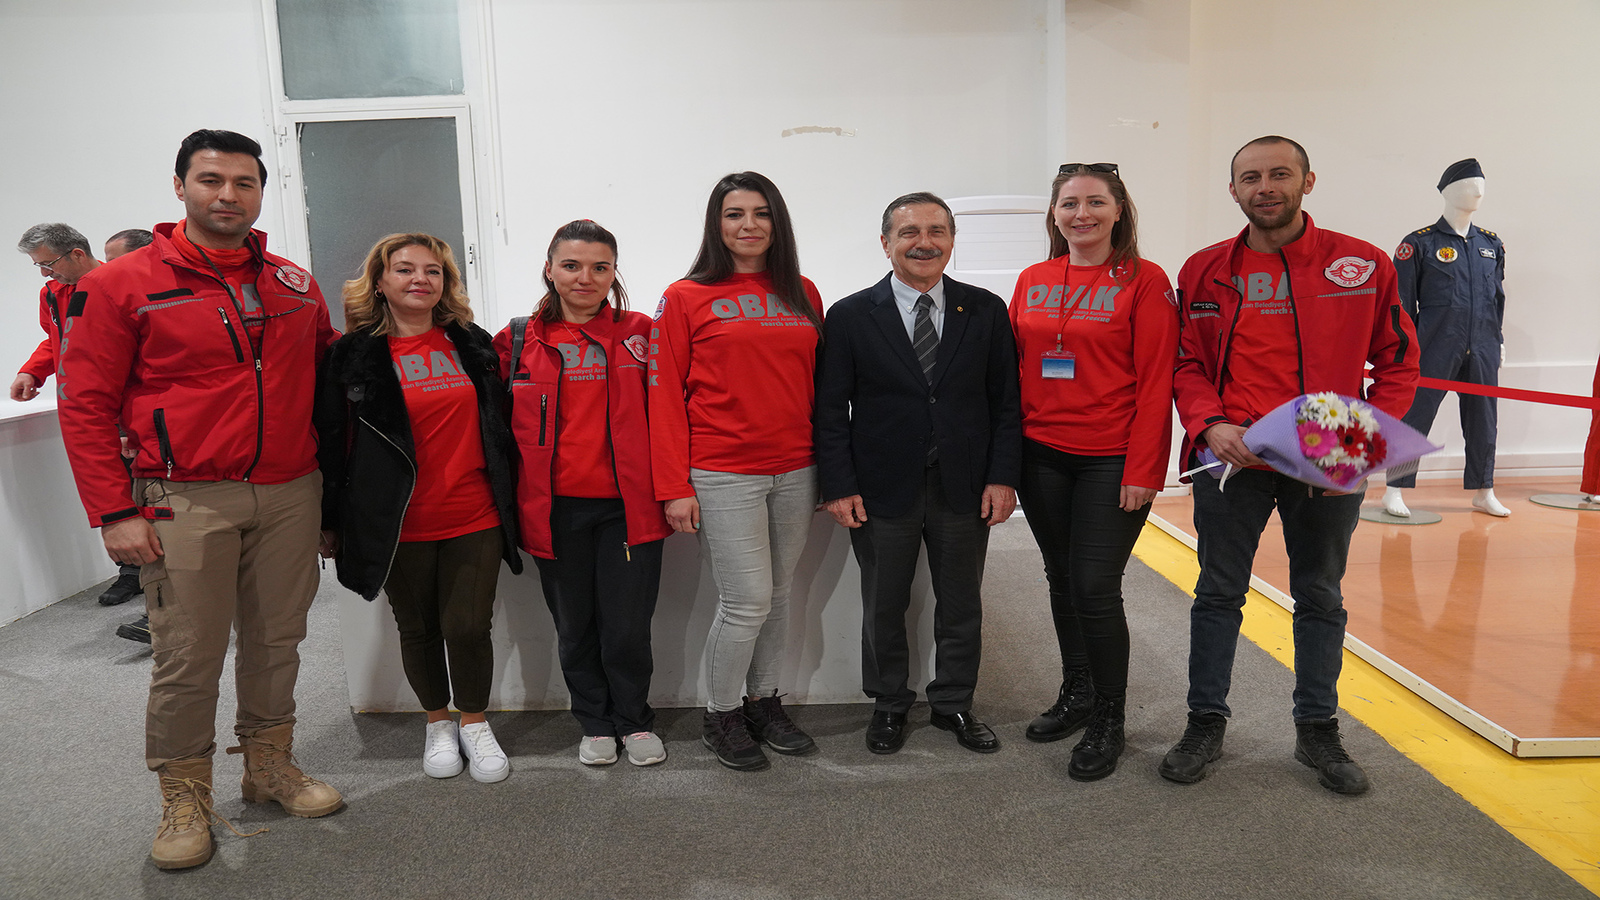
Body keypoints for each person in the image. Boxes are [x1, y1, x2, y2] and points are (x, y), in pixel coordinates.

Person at [56, 129, 344, 870]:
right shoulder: (120, 284)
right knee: (188, 654)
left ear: (260, 192)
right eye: (212, 180)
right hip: (183, 497)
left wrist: (335, 502)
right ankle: (183, 793)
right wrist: (113, 511)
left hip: (290, 491)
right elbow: (84, 404)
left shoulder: (294, 284)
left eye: (244, 182)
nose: (228, 195)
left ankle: (268, 764)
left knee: (278, 641)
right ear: (180, 186)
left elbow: (327, 390)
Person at [1164, 135, 1419, 795]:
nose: (1266, 187)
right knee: (1217, 593)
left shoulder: (1361, 265)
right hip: (1231, 459)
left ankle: (1317, 730)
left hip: (1325, 460)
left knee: (1320, 595)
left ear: (1308, 181)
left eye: (1280, 174)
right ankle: (1204, 722)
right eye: (1251, 178)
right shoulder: (1203, 269)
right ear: (1234, 191)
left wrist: (1358, 447)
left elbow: (1398, 361)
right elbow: (1186, 361)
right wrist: (1210, 424)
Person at [814, 191, 1021, 756]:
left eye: (936, 231)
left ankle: (954, 702)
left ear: (952, 241)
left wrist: (1003, 477)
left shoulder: (985, 310)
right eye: (909, 233)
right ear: (886, 244)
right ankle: (888, 702)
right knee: (884, 603)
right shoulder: (850, 315)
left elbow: (1006, 404)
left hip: (964, 485)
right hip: (880, 488)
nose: (923, 243)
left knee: (962, 603)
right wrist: (839, 485)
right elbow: (830, 410)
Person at [316, 233, 521, 785]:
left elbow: (502, 428)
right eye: (405, 269)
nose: (420, 280)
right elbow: (331, 441)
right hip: (394, 521)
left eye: (433, 271)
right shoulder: (351, 355)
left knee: (468, 626)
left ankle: (474, 721)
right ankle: (437, 723)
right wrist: (328, 519)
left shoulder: (472, 343)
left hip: (474, 511)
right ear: (379, 282)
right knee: (418, 627)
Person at [648, 171, 825, 771]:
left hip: (797, 468)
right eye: (734, 214)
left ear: (778, 222)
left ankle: (763, 702)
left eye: (761, 213)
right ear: (716, 224)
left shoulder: (803, 292)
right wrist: (673, 486)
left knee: (777, 595)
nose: (749, 225)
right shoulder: (685, 296)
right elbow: (663, 396)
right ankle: (720, 713)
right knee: (746, 600)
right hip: (723, 471)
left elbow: (818, 386)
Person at [1008, 165, 1177, 779]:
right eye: (1069, 203)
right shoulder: (1033, 278)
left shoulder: (1145, 280)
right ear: (1054, 214)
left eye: (1096, 202)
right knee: (1061, 578)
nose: (1082, 214)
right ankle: (1077, 691)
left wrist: (1145, 468)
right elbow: (1013, 370)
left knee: (1095, 587)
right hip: (1041, 454)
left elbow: (1157, 381)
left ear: (1118, 210)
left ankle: (1110, 714)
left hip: (1111, 457)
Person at [495, 220, 672, 768]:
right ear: (549, 269)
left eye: (600, 267)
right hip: (553, 510)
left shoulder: (642, 333)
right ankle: (594, 722)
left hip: (629, 509)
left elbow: (672, 413)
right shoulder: (517, 340)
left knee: (626, 629)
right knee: (574, 627)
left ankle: (634, 721)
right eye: (571, 265)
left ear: (614, 273)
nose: (585, 278)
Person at [12, 224, 142, 608]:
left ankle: (164, 581)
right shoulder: (52, 294)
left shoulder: (118, 286)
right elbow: (57, 341)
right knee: (114, 488)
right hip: (91, 407)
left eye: (48, 264)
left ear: (78, 254)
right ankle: (132, 572)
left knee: (147, 490)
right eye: (38, 266)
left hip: (128, 403)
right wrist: (32, 371)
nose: (44, 273)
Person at [1381, 159, 1511, 518]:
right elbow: (1401, 303)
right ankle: (1394, 488)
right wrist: (1404, 348)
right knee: (1415, 416)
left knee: (1484, 419)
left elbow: (1497, 298)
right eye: (1469, 185)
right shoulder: (1419, 243)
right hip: (1433, 345)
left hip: (1482, 344)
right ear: (1448, 191)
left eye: (1481, 186)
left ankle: (1484, 490)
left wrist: (1498, 340)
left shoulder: (1491, 244)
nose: (1477, 193)